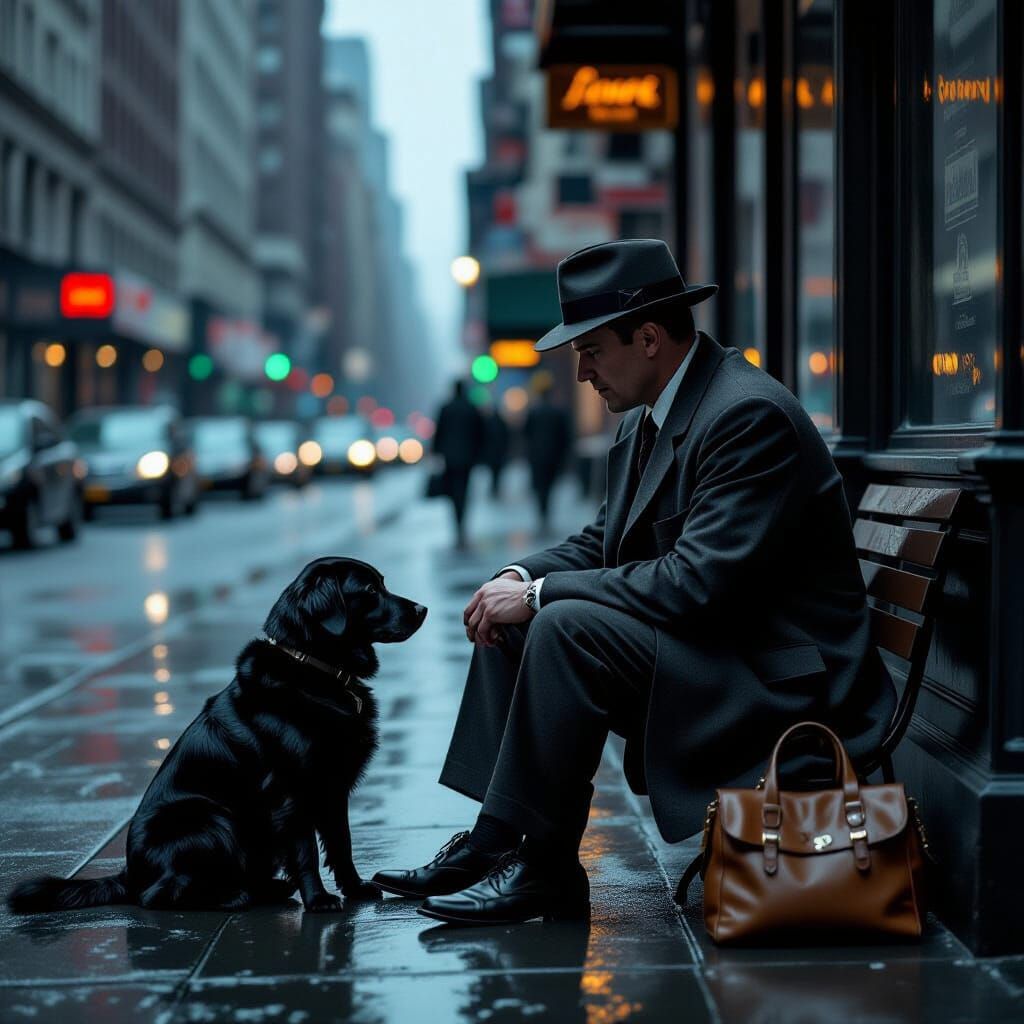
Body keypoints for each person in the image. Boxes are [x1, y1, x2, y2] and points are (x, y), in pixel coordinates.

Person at [375, 238, 895, 925]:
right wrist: (519, 576)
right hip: (717, 649)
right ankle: (503, 842)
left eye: (591, 350)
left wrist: (538, 597)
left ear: (648, 338)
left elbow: (695, 583)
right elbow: (604, 543)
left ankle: (537, 864)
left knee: (562, 625)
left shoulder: (746, 415)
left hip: (779, 680)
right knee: (518, 620)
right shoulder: (646, 419)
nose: (582, 371)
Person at [431, 379, 484, 548]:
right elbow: (480, 432)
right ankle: (462, 522)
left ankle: (457, 522)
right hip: (467, 458)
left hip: (450, 458)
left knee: (453, 491)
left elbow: (439, 432)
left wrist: (436, 452)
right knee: (464, 491)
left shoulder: (446, 408)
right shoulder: (471, 408)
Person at [523, 383, 572, 532]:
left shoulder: (534, 412)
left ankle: (542, 513)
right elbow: (565, 436)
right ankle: (546, 513)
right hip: (553, 456)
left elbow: (526, 434)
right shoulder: (557, 412)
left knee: (540, 487)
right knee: (549, 486)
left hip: (537, 456)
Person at [481, 404, 511, 498]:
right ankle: (495, 487)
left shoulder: (489, 422)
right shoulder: (502, 423)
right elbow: (506, 438)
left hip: (491, 451)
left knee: (493, 471)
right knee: (497, 472)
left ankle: (493, 487)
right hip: (499, 452)